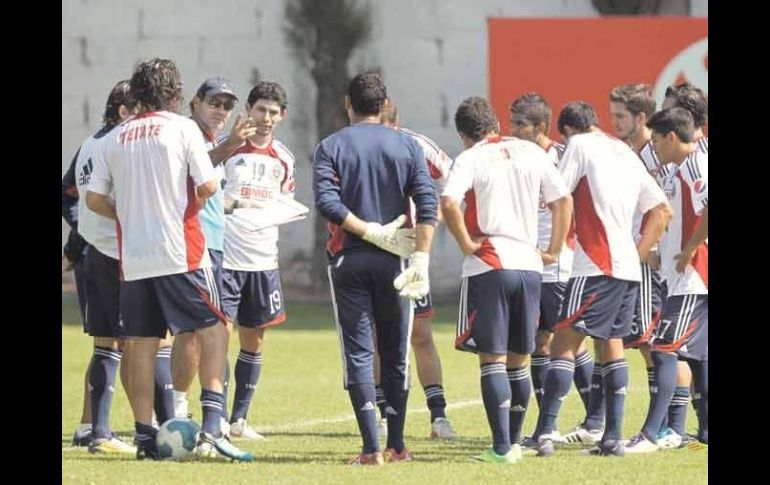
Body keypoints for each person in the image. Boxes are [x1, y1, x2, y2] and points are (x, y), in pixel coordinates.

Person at [86, 57, 253, 462]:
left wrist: (126, 214)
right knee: (214, 329)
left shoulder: (115, 137)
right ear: (176, 92)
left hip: (136, 258)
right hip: (183, 252)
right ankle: (213, 427)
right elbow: (210, 185)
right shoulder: (182, 128)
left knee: (141, 345)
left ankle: (145, 438)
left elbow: (93, 200)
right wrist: (179, 208)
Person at [531, 101, 671, 457]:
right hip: (625, 268)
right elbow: (661, 210)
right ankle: (611, 438)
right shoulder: (625, 151)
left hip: (594, 263)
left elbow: (558, 196)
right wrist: (637, 254)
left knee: (563, 343)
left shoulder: (579, 146)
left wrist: (550, 248)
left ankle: (544, 433)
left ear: (567, 131)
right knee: (611, 345)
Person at [313, 72, 437, 465]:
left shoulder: (331, 145)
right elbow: (427, 203)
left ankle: (371, 449)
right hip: (397, 262)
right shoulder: (406, 145)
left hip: (349, 258)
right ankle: (397, 445)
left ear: (348, 105)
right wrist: (421, 258)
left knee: (359, 353)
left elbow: (327, 203)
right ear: (385, 105)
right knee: (396, 352)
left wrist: (368, 231)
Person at [442, 96, 572, 464]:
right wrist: (553, 249)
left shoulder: (471, 157)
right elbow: (563, 201)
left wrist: (467, 243)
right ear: (496, 124)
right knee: (520, 359)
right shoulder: (531, 152)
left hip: (491, 263)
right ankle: (513, 442)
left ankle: (500, 447)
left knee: (493, 359)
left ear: (466, 135)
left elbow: (449, 202)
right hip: (530, 265)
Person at [508, 93, 598, 447]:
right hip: (529, 264)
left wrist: (558, 248)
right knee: (540, 343)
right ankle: (556, 424)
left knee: (562, 340)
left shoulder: (563, 157)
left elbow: (575, 206)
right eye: (512, 122)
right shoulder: (516, 158)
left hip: (559, 265)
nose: (513, 130)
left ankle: (587, 417)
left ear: (541, 128)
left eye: (520, 125)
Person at [171, 76, 256, 440]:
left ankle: (194, 410)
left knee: (207, 330)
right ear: (195, 103)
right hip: (196, 244)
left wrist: (231, 205)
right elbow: (187, 172)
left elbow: (204, 191)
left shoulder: (210, 141)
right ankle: (185, 410)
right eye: (214, 102)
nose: (221, 111)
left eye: (226, 105)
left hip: (213, 242)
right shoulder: (189, 135)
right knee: (201, 330)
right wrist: (229, 147)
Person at [625, 107, 708, 452]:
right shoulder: (678, 168)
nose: (654, 147)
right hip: (682, 276)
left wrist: (689, 247)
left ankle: (650, 434)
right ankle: (703, 432)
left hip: (692, 276)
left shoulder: (694, 165)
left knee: (662, 348)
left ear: (672, 137)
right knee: (699, 357)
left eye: (657, 140)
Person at [62, 80, 136, 452]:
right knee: (119, 340)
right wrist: (85, 231)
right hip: (109, 255)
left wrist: (79, 238)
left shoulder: (91, 144)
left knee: (108, 342)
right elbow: (72, 196)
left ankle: (88, 427)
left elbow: (72, 196)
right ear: (123, 111)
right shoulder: (111, 146)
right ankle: (106, 430)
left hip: (96, 253)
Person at [218, 81, 294, 441]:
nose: (266, 118)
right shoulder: (228, 151)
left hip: (263, 261)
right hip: (227, 258)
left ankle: (239, 420)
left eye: (273, 111)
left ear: (282, 116)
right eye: (260, 109)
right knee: (219, 336)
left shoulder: (284, 159)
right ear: (248, 109)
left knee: (254, 341)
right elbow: (211, 197)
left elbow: (285, 203)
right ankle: (214, 416)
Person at [377, 101, 457, 440]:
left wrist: (432, 217)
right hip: (373, 250)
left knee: (420, 335)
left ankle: (438, 417)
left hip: (410, 253)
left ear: (396, 125)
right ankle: (381, 416)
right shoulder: (353, 143)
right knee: (379, 340)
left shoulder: (417, 145)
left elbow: (453, 179)